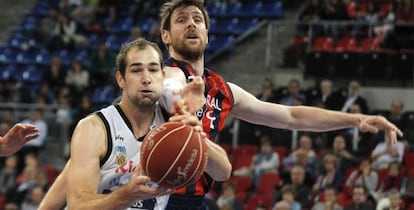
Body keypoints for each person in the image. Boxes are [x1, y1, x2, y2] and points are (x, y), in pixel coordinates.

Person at [159, 1, 402, 209]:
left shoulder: (222, 90)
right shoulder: (161, 75)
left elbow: (291, 117)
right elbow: (170, 87)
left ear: (207, 33)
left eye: (197, 19)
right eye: (181, 20)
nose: (191, 24)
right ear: (166, 35)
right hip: (153, 197)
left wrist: (354, 119)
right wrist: (178, 98)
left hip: (194, 200)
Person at [39, 38, 231, 209]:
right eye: (137, 70)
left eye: (153, 70)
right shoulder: (94, 128)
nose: (146, 79)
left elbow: (223, 172)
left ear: (163, 77)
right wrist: (126, 196)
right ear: (121, 79)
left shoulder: (173, 124)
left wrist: (197, 136)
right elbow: (77, 206)